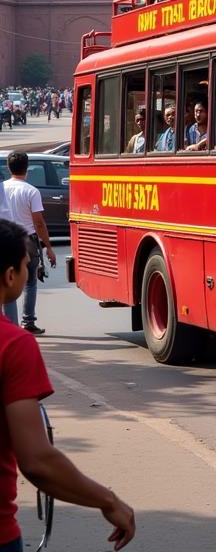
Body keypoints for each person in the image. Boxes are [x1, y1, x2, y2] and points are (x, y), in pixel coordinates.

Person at [0, 220, 136, 551]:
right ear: (9, 276)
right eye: (26, 266)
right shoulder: (13, 344)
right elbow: (37, 461)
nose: (28, 271)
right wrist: (109, 501)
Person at [2, 153, 55, 336]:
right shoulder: (31, 191)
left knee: (7, 282)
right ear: (27, 167)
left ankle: (11, 325)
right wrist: (48, 247)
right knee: (30, 282)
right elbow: (39, 223)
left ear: (9, 167)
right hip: (28, 241)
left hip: (5, 239)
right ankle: (28, 321)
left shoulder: (2, 188)